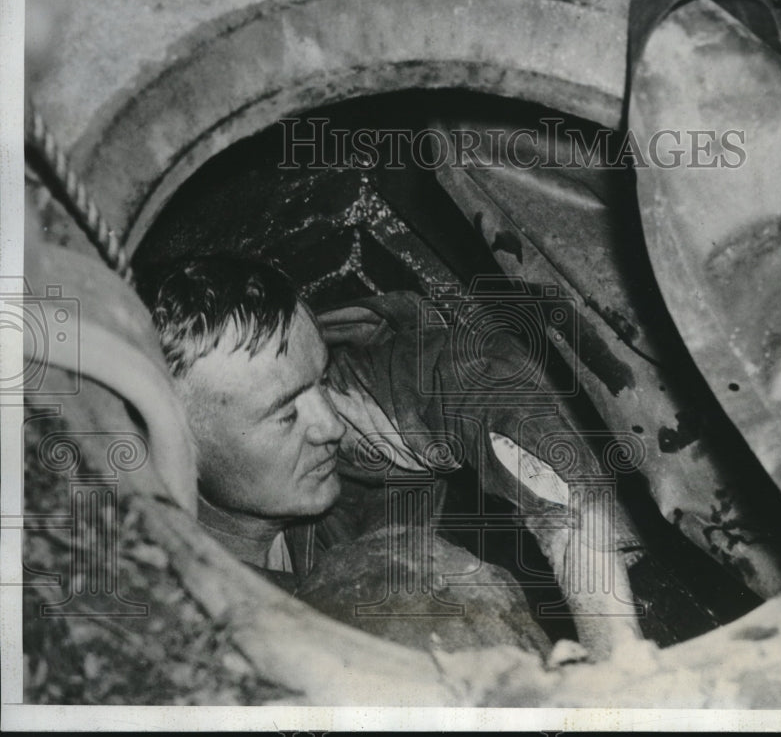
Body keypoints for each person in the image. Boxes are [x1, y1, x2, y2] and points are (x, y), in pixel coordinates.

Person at [139, 255, 649, 657]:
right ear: (174, 447)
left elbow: (488, 385)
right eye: (284, 415)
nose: (331, 426)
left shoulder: (316, 411)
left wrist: (614, 645)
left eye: (316, 380)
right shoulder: (166, 618)